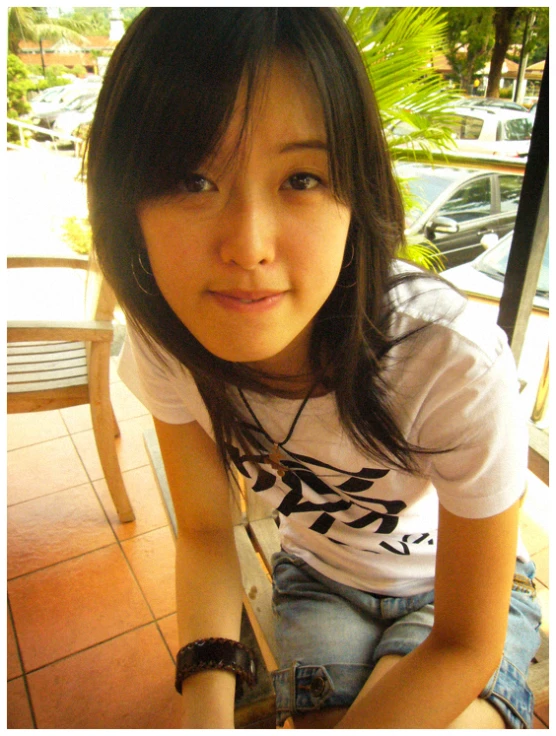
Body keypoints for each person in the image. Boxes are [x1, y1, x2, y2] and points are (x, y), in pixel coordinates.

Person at [87, 8, 541, 729]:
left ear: (355, 195)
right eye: (192, 179)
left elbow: (464, 641)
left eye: (301, 177)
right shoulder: (166, 334)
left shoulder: (444, 360)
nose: (248, 245)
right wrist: (204, 708)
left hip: (454, 593)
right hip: (318, 581)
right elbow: (205, 531)